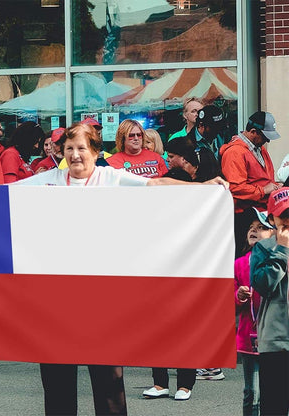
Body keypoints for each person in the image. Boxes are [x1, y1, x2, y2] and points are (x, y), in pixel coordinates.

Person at [15, 122, 228, 416]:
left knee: (108, 382)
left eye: (81, 148)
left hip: (101, 300)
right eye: (69, 149)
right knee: (57, 381)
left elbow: (156, 185)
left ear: (95, 151)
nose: (75, 155)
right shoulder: (47, 180)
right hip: (56, 301)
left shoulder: (110, 177)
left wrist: (201, 187)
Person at [220, 111, 281, 258]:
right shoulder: (235, 152)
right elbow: (234, 187)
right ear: (253, 132)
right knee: (245, 257)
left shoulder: (259, 148)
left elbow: (265, 178)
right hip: (244, 215)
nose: (268, 141)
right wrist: (263, 190)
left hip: (260, 213)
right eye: (265, 137)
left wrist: (273, 186)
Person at [251, 187, 289, 416]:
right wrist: (282, 250)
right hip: (276, 339)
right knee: (273, 406)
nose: (288, 220)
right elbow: (263, 285)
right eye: (283, 215)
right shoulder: (264, 248)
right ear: (271, 218)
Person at [235, 208, 274, 416]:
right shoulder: (239, 264)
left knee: (273, 392)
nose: (254, 230)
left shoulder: (279, 260)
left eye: (261, 228)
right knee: (251, 391)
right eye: (251, 228)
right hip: (248, 339)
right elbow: (227, 303)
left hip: (274, 339)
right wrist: (238, 296)